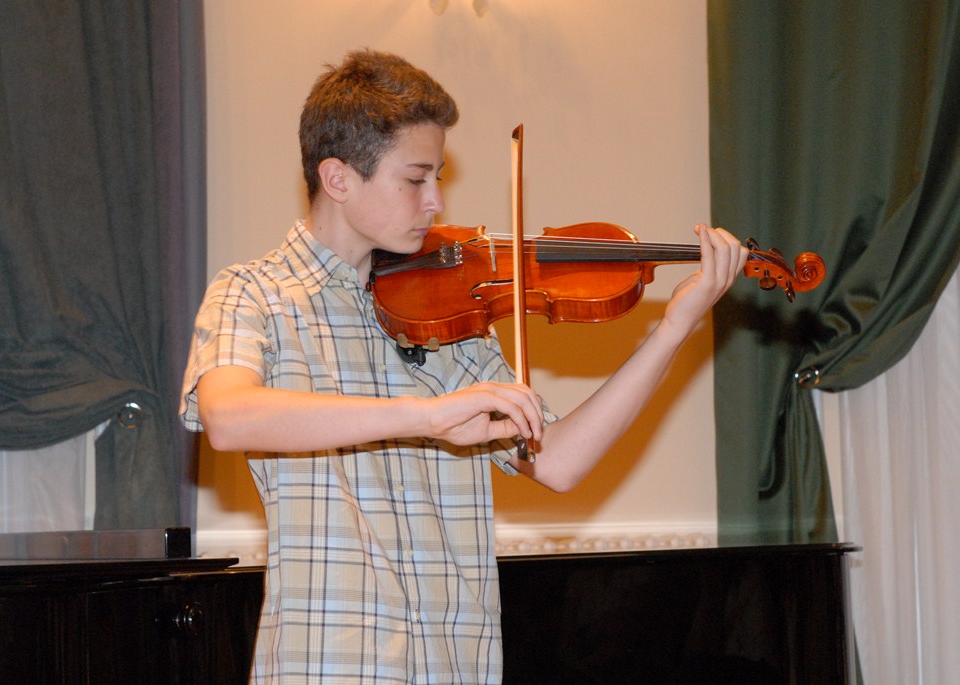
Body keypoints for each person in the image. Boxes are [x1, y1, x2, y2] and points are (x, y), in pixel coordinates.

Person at [180, 49, 747, 684]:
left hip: (458, 664)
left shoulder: (450, 311)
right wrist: (427, 415)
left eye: (439, 176)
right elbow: (227, 416)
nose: (437, 201)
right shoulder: (254, 294)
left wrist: (673, 330)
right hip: (330, 666)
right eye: (416, 179)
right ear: (338, 178)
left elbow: (557, 461)